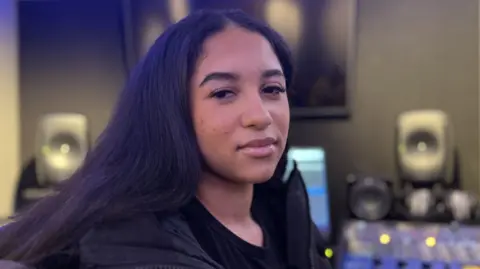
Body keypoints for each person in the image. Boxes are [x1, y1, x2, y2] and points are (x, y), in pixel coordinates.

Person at [0, 9, 331, 269]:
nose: (260, 115)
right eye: (224, 93)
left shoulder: (291, 221)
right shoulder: (122, 246)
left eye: (272, 89)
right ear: (172, 110)